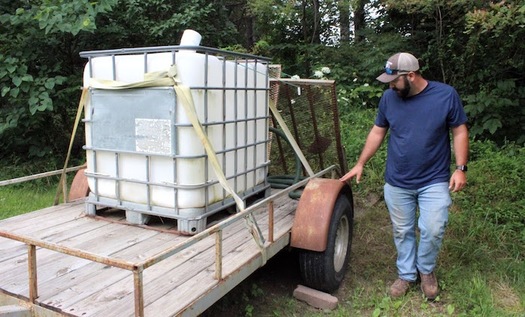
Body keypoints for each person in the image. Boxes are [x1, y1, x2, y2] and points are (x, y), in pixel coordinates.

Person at [340, 52, 469, 300]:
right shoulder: (390, 98)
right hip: (398, 180)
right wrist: (360, 163)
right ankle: (407, 274)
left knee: (433, 228)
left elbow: (459, 131)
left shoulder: (445, 95)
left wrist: (460, 168)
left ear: (411, 75)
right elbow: (378, 131)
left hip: (434, 179)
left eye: (393, 80)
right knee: (402, 230)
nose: (389, 86)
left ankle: (426, 270)